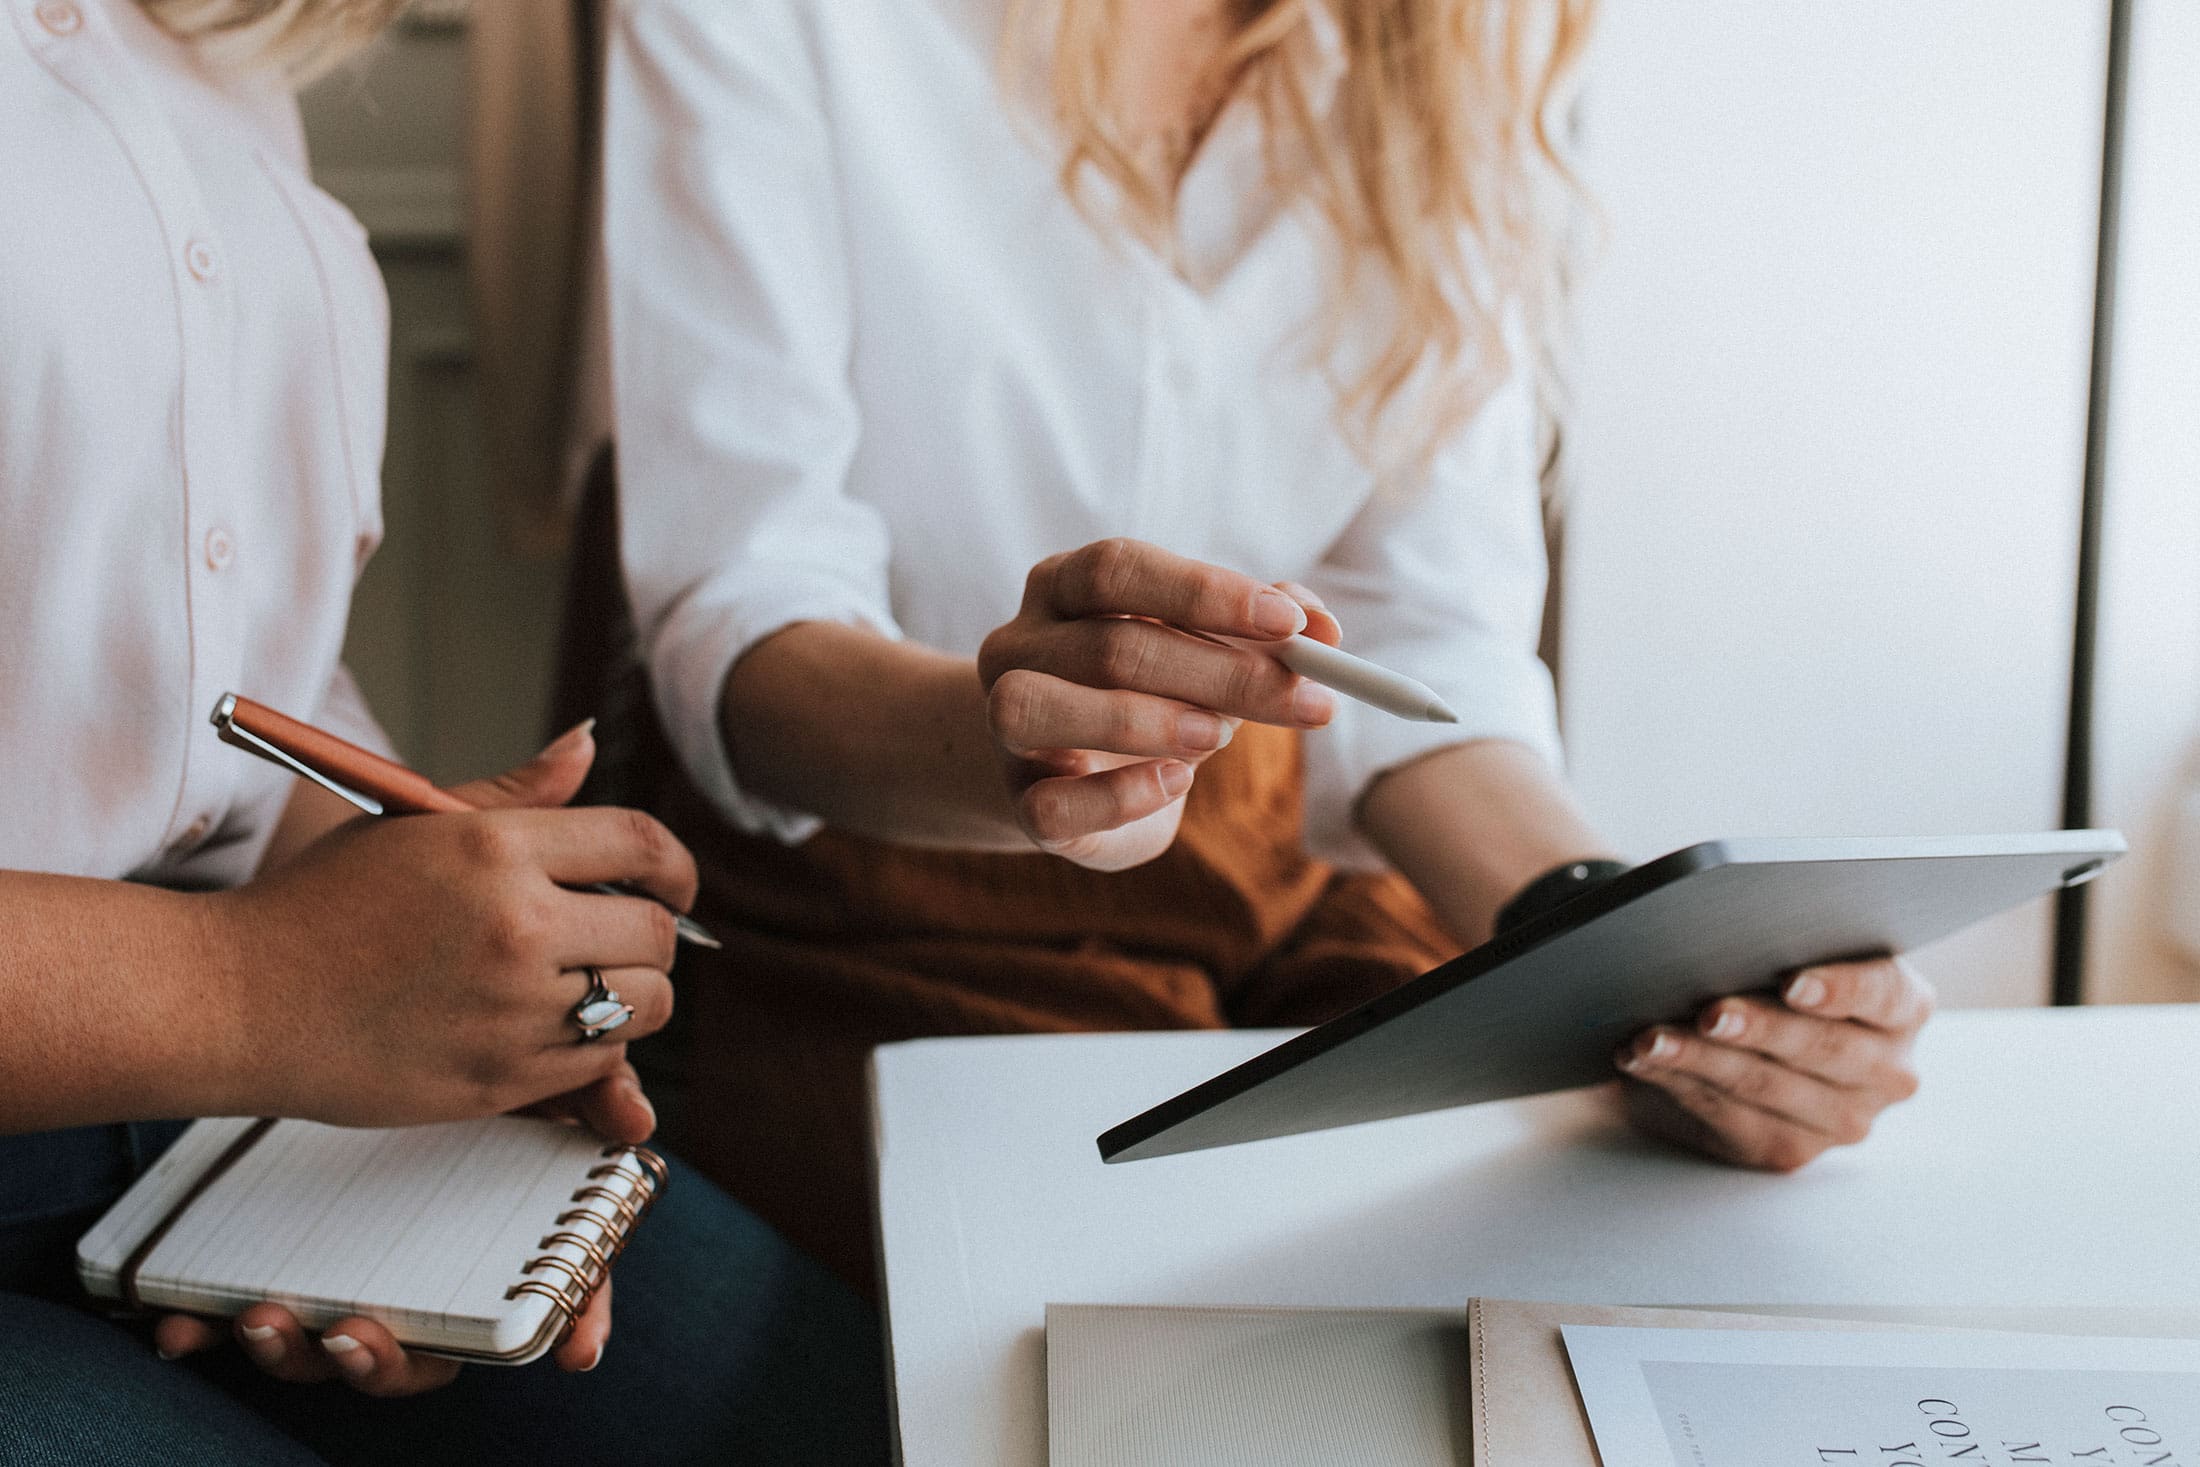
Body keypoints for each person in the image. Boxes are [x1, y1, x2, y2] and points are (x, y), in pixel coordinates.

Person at [603, 0, 1935, 1293]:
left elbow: (1431, 650)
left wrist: (1614, 965)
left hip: (1293, 892)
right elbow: (743, 606)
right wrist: (1018, 742)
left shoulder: (1437, 54)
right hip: (875, 904)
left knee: (1541, 1286)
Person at [0, 0, 886, 1460]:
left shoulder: (204, 45)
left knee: (858, 1421)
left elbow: (195, 690)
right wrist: (267, 993)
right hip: (187, 1053)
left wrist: (445, 983)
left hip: (209, 1116)